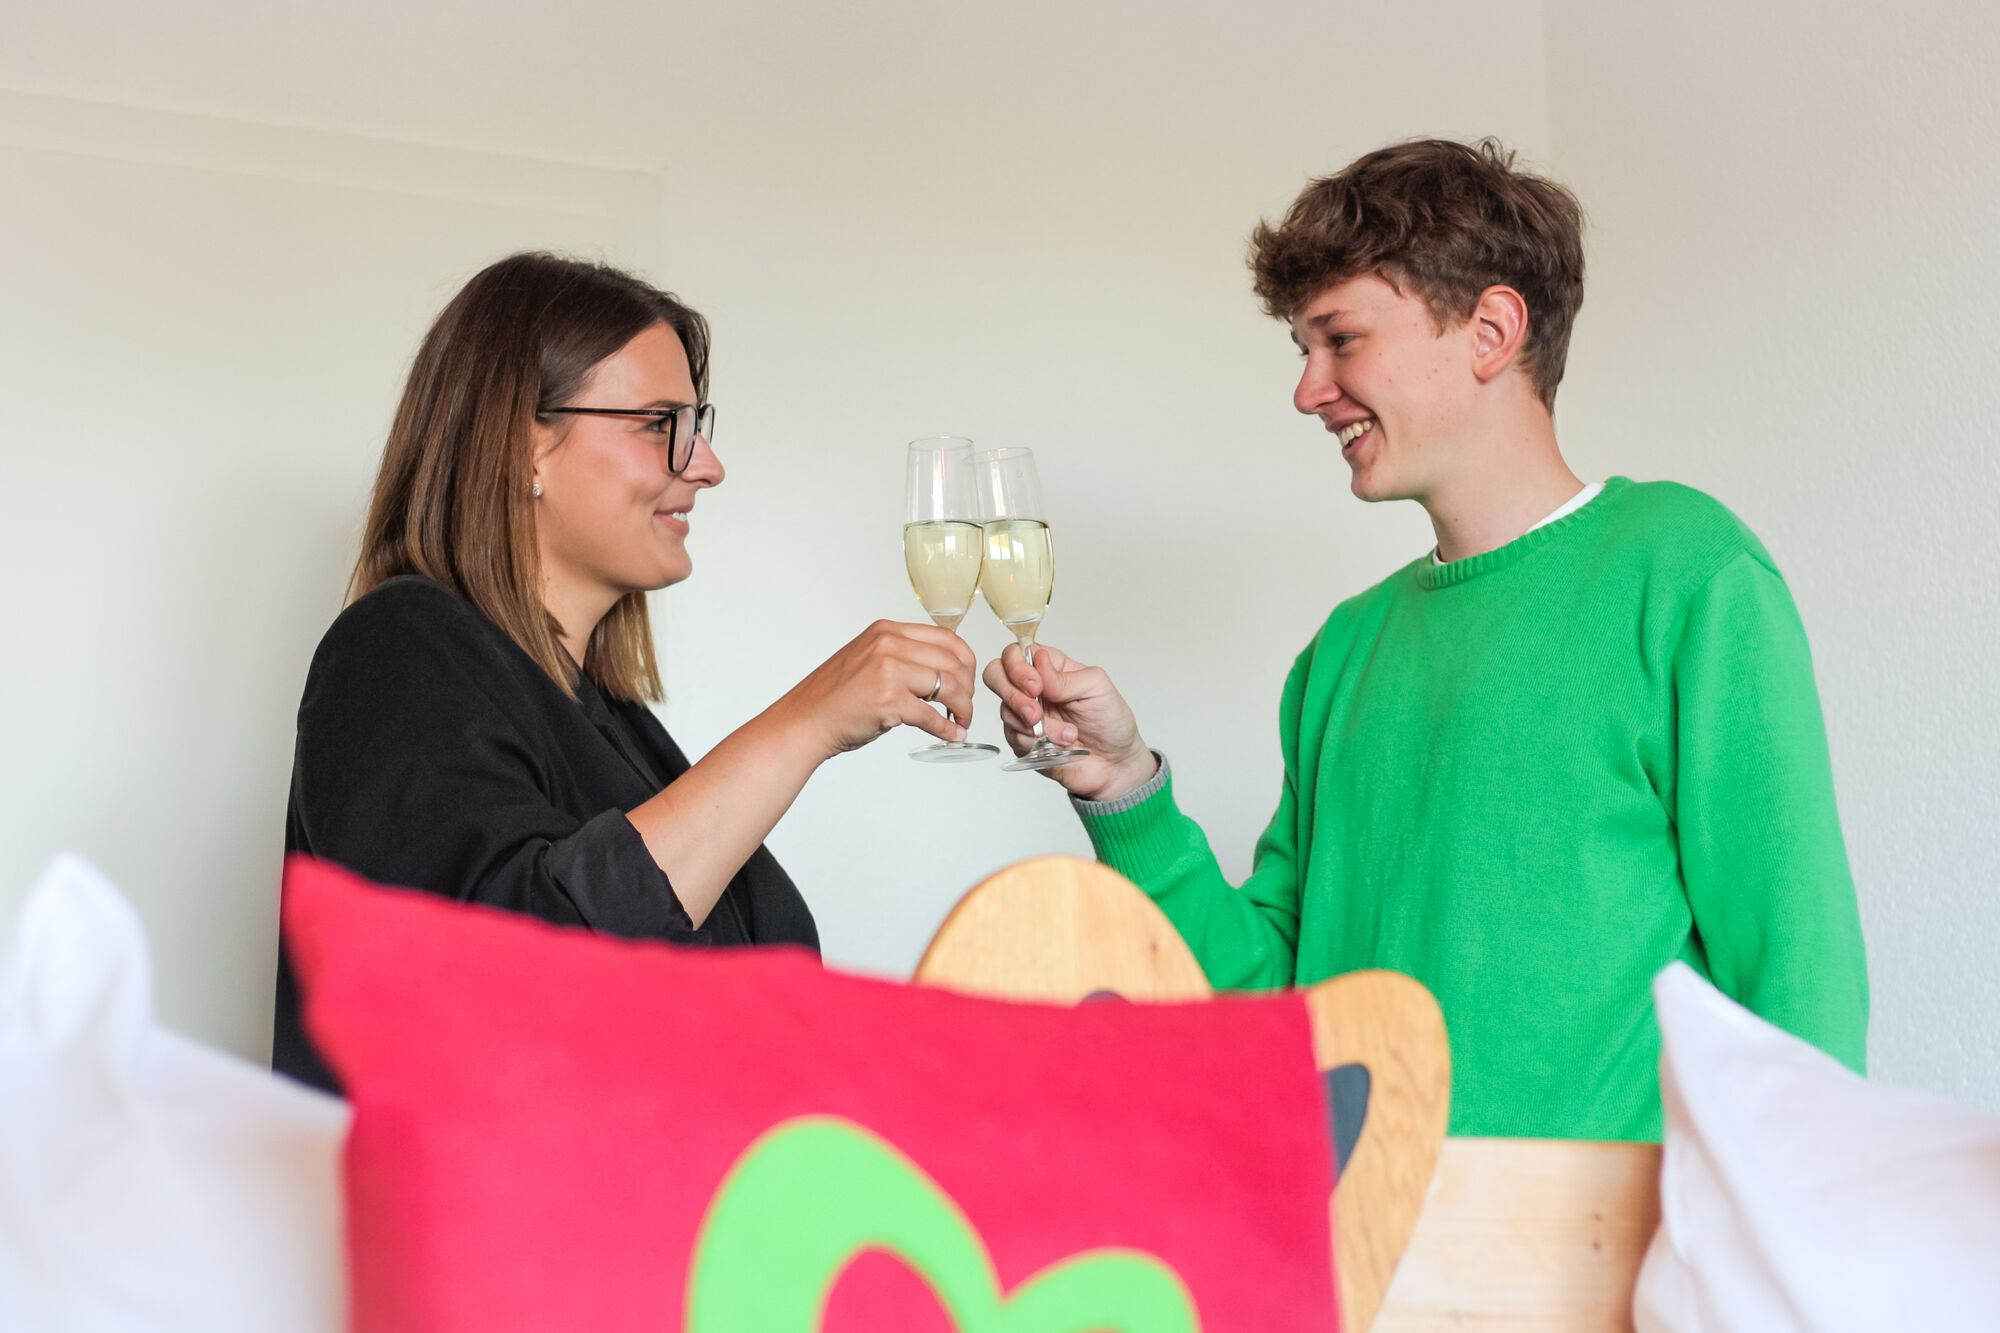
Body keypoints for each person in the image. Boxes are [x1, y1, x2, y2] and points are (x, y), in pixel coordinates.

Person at [984, 139, 1869, 1140]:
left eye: (1341, 339)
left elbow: (1796, 970)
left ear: (1490, 331)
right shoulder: (1342, 653)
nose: (1308, 389)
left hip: (1604, 1238)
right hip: (1358, 1234)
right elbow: (1271, 1005)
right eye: (1302, 350)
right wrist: (1123, 784)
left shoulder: (1684, 572)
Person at [273, 253, 977, 1092]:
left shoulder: (617, 728)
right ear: (522, 448)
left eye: (696, 424)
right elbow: (502, 980)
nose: (706, 464)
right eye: (658, 424)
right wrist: (808, 722)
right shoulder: (397, 652)